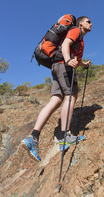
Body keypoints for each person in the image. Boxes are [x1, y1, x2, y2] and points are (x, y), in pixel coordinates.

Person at [21, 16, 92, 161]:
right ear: (81, 23)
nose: (91, 24)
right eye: (88, 21)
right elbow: (66, 44)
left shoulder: (79, 37)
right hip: (63, 66)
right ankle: (65, 136)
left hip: (57, 66)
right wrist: (67, 60)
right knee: (71, 96)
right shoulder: (76, 31)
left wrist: (84, 65)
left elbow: (75, 60)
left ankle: (33, 137)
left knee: (55, 100)